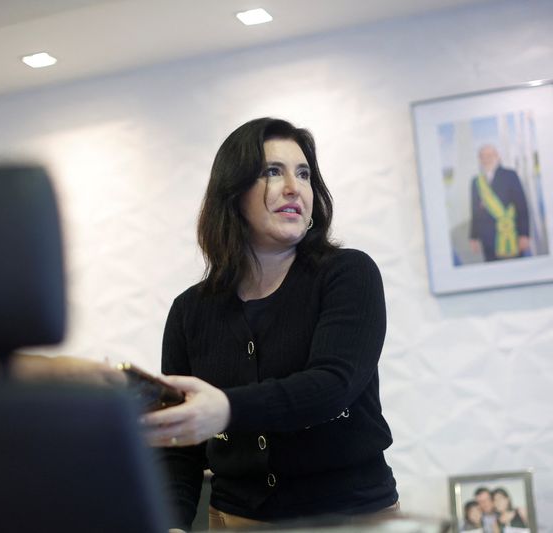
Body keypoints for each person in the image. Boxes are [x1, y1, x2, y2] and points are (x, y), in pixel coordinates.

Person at [140, 117, 399, 531]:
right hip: (234, 519)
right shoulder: (189, 310)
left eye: (304, 174)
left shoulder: (349, 274)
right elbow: (180, 446)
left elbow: (332, 386)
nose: (294, 188)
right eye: (273, 172)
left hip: (353, 518)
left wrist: (225, 409)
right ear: (234, 193)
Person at [468, 144, 530, 262]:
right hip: (487, 239)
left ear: (497, 156)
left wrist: (524, 235)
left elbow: (521, 206)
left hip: (511, 235)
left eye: (489, 155)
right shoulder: (475, 181)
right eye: (482, 156)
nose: (486, 159)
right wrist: (473, 237)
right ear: (479, 159)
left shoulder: (510, 175)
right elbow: (474, 211)